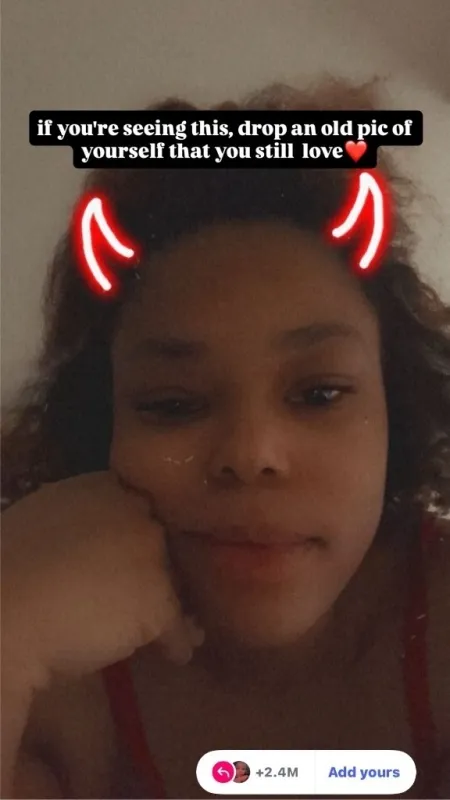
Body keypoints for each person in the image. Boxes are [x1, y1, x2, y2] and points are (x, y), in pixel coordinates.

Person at [2, 79, 449, 800]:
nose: (251, 453)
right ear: (100, 428)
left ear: (397, 409)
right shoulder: (56, 679)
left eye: (319, 394)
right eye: (174, 404)